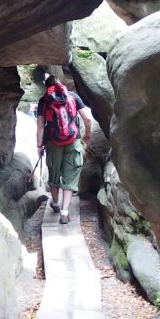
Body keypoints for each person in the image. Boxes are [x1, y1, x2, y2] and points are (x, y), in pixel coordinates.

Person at [36, 75, 93, 224]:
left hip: (53, 143)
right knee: (70, 176)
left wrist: (39, 145)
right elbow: (87, 119)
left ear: (46, 87)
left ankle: (55, 203)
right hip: (73, 141)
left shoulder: (44, 101)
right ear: (60, 83)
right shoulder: (72, 96)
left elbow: (41, 126)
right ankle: (64, 213)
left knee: (54, 175)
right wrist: (87, 134)